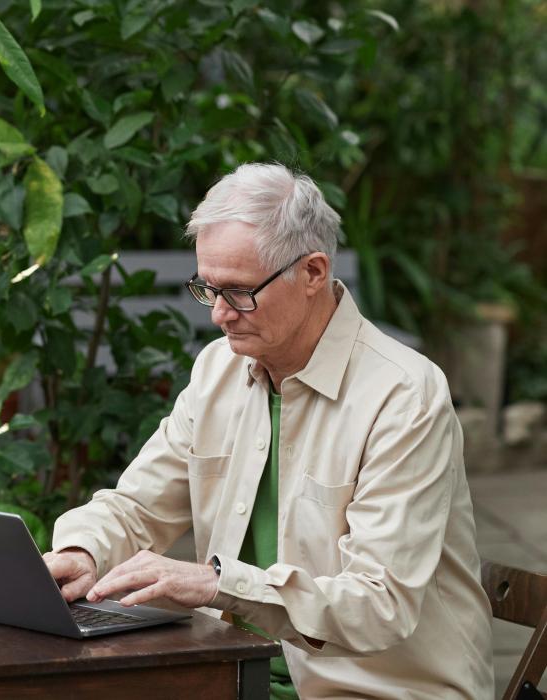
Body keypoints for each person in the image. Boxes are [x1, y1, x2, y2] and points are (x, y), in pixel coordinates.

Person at [43, 163, 492, 698]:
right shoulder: (218, 370)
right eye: (208, 289)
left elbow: (379, 604)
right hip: (233, 676)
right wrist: (83, 553)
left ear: (313, 273)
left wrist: (217, 583)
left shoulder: (403, 395)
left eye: (238, 291)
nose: (219, 315)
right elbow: (138, 506)